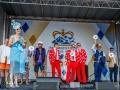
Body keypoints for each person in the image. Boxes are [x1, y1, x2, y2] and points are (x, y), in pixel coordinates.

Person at [9, 20, 26, 88]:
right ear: (15, 30)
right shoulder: (12, 36)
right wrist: (16, 41)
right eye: (17, 29)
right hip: (14, 52)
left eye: (19, 29)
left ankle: (16, 82)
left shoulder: (22, 38)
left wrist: (24, 45)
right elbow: (9, 44)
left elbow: (22, 46)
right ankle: (11, 82)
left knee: (17, 68)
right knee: (12, 68)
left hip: (19, 53)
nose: (18, 30)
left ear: (21, 30)